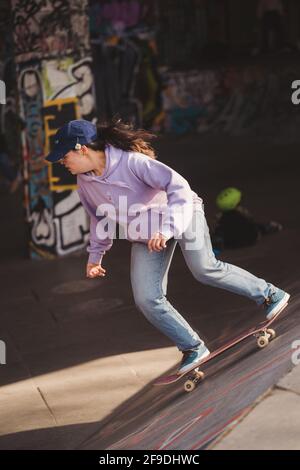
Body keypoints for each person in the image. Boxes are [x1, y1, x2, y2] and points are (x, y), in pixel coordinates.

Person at [45, 118, 291, 375]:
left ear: (82, 148)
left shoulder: (132, 162)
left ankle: (269, 294)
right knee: (146, 297)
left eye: (64, 157)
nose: (62, 163)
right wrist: (95, 256)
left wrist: (167, 229)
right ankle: (192, 347)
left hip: (183, 214)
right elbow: (99, 218)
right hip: (147, 236)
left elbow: (180, 189)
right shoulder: (85, 182)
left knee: (204, 268)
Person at [212, 187, 283, 251]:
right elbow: (251, 223)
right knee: (254, 226)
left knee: (219, 231)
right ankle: (267, 228)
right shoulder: (241, 214)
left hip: (228, 244)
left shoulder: (222, 218)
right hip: (250, 239)